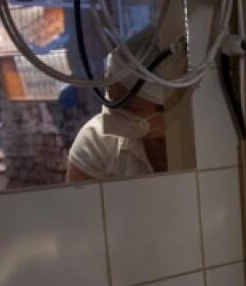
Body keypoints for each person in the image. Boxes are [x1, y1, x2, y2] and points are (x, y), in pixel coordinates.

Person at [66, 33, 173, 182]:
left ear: (168, 108)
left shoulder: (203, 142)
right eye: (111, 99)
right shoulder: (96, 143)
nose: (115, 112)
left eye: (129, 105)